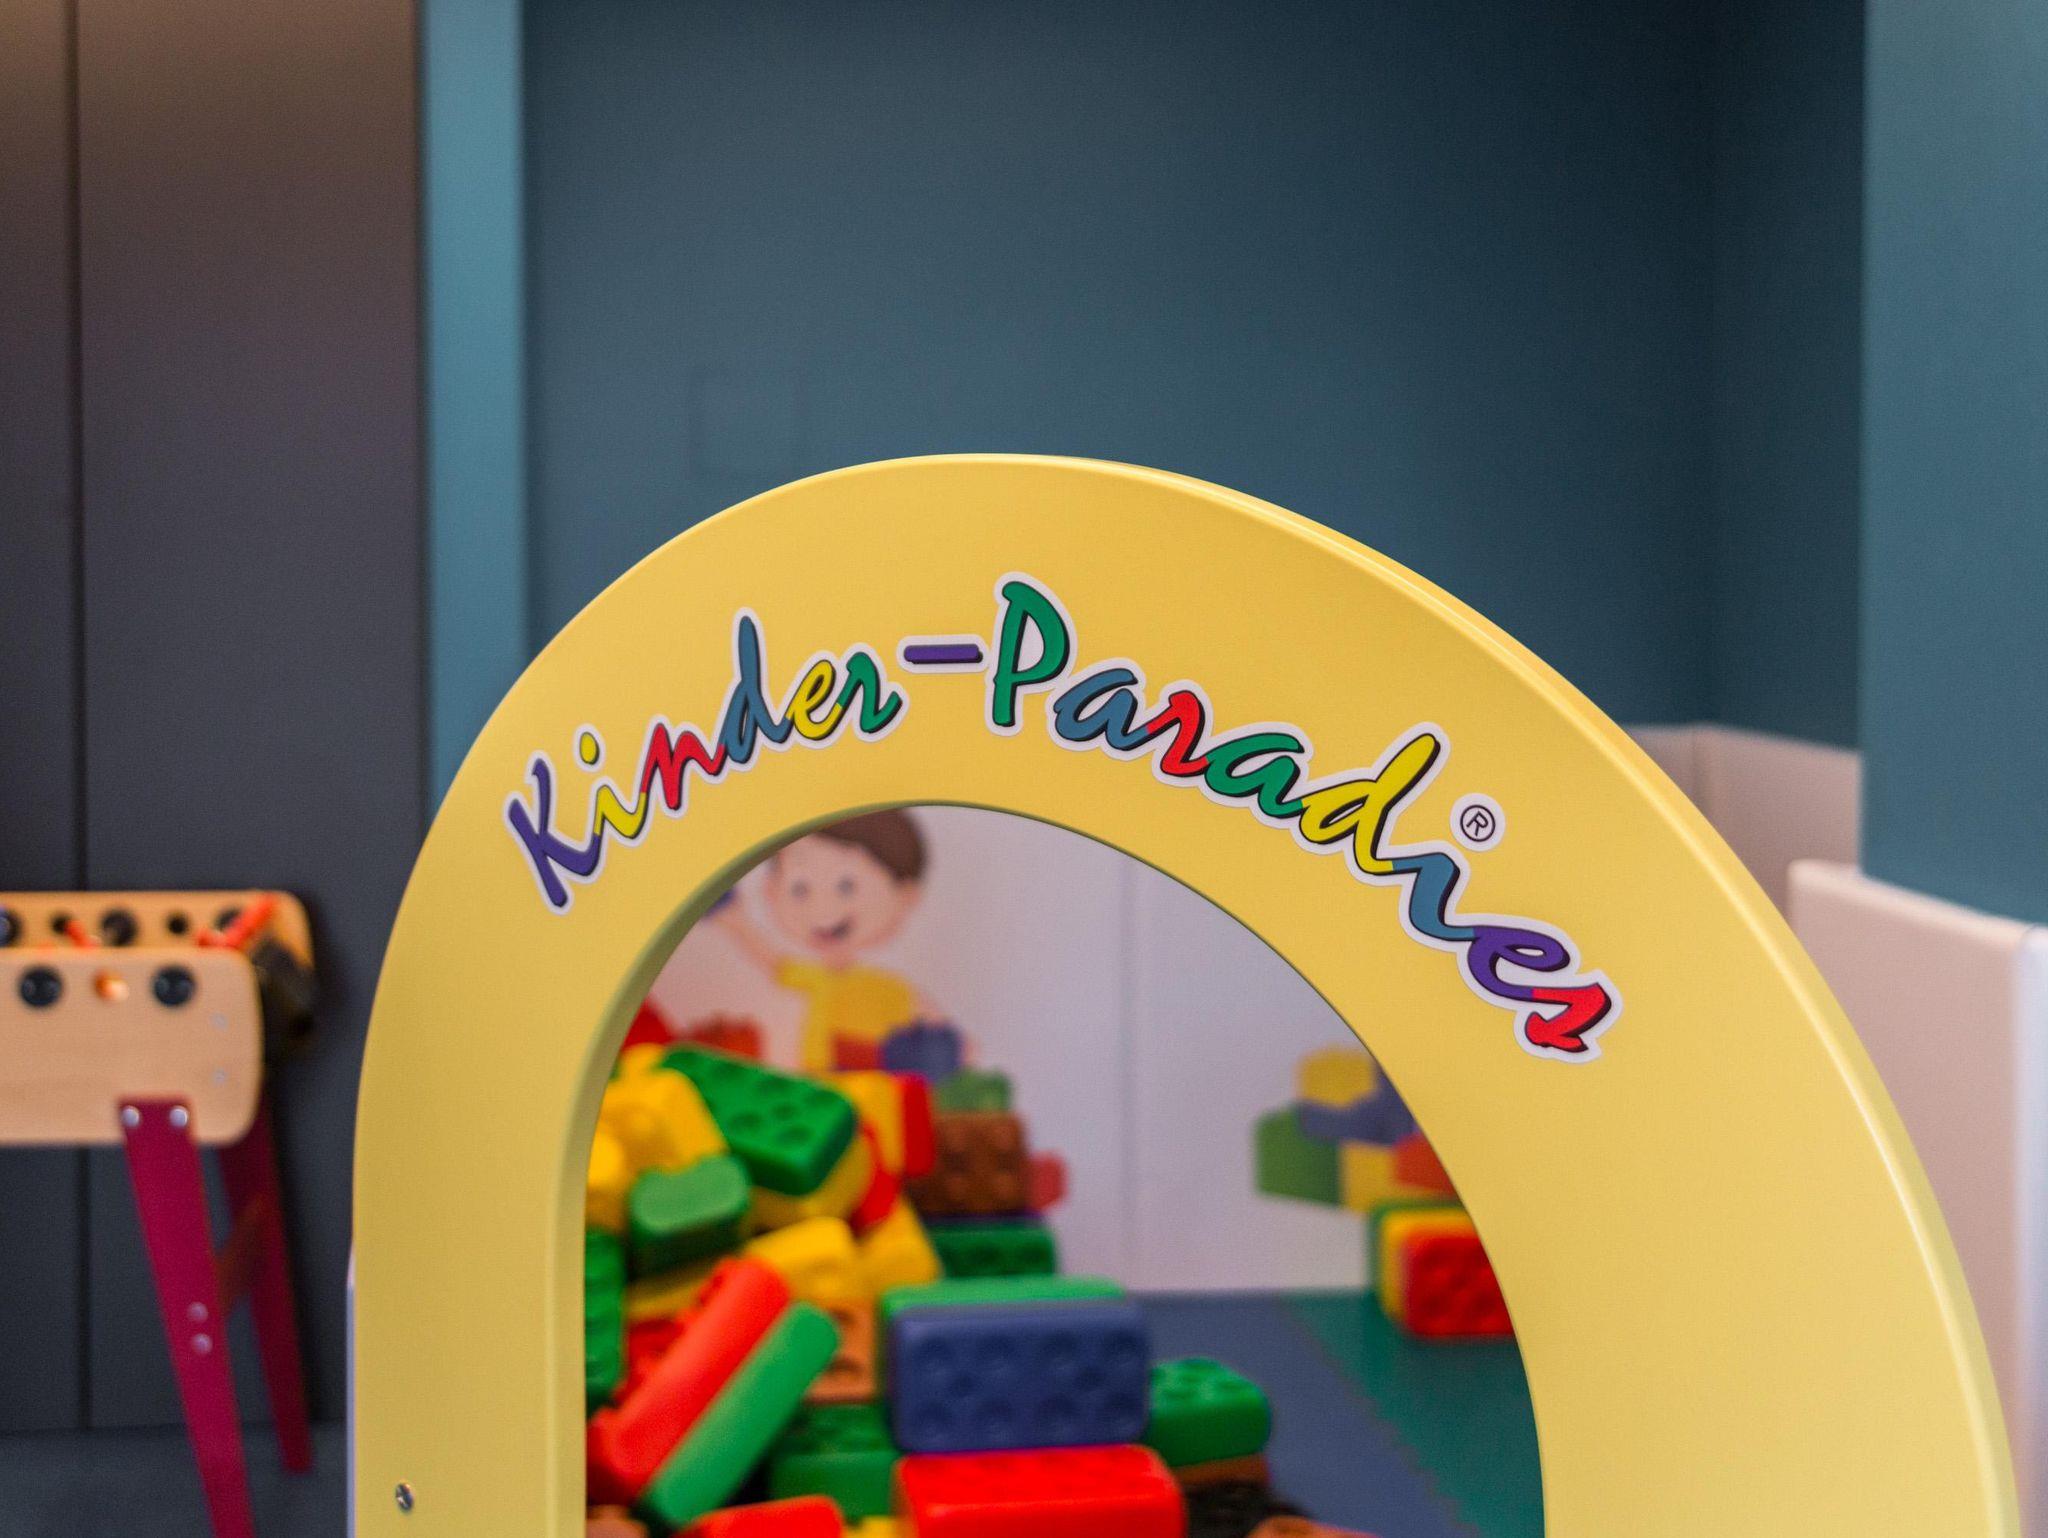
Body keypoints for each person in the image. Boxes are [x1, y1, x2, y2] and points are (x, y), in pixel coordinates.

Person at [711, 810, 930, 1071]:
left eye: (846, 886)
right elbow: (775, 962)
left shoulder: (891, 988)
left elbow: (929, 1021)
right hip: (820, 1075)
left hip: (873, 1078)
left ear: (905, 894)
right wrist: (735, 921)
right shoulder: (817, 978)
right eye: (800, 889)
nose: (823, 910)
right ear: (770, 890)